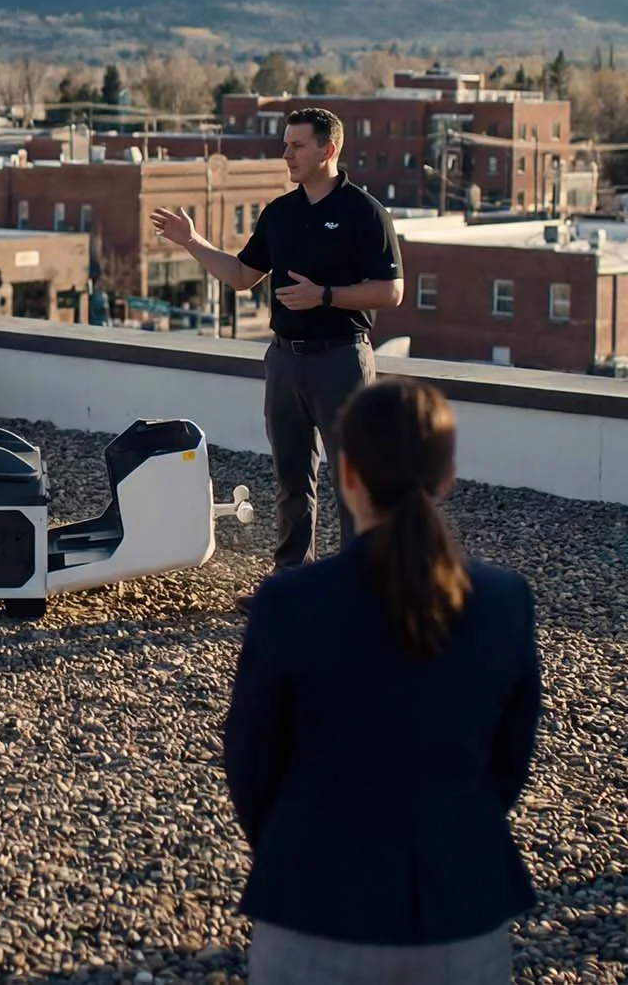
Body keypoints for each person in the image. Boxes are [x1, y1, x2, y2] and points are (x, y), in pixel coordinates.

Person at [224, 378, 541, 983]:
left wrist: (296, 844)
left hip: (315, 906)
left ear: (347, 475)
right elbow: (507, 763)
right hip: (460, 908)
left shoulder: (291, 603)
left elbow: (251, 762)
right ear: (448, 477)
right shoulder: (505, 602)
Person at [152, 107, 403, 575]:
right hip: (285, 361)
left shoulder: (365, 213)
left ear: (328, 150)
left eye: (297, 146)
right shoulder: (280, 213)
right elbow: (241, 275)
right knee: (291, 480)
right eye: (285, 145)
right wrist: (192, 241)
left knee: (353, 481)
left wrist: (324, 296)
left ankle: (359, 588)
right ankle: (292, 581)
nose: (286, 154)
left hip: (341, 361)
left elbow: (391, 291)